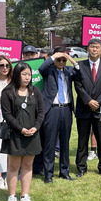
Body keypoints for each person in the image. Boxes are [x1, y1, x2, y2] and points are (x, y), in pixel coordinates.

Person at [0, 62, 45, 201]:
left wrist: (36, 127)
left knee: (28, 165)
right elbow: (7, 115)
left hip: (32, 134)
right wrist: (20, 129)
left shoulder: (35, 91)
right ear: (17, 74)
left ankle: (25, 195)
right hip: (15, 134)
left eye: (29, 75)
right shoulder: (7, 92)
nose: (27, 77)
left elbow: (41, 112)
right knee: (13, 166)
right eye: (24, 74)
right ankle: (12, 196)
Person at [39, 46, 82, 183]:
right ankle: (48, 174)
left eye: (64, 60)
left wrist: (73, 62)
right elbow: (41, 68)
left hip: (66, 109)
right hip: (52, 109)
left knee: (65, 142)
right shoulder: (49, 71)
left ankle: (64, 171)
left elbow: (81, 76)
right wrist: (54, 56)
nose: (62, 62)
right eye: (59, 60)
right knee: (50, 143)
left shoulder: (69, 71)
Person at [74, 38, 101, 177]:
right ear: (87, 48)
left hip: (100, 108)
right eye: (92, 47)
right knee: (82, 139)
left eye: (97, 47)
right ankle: (81, 167)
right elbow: (78, 85)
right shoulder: (80, 65)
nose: (94, 49)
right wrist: (88, 101)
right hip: (83, 108)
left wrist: (96, 102)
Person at [0, 55, 13, 190]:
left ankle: (9, 176)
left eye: (7, 65)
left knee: (10, 148)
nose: (5, 68)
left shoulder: (13, 82)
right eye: (1, 65)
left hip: (12, 118)